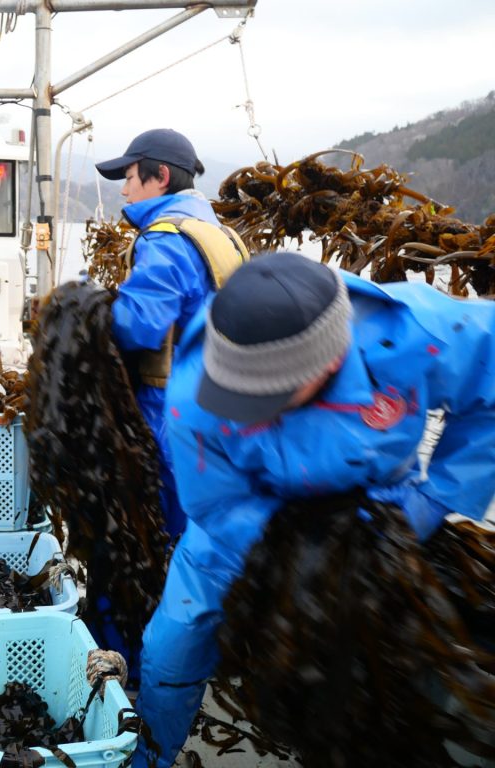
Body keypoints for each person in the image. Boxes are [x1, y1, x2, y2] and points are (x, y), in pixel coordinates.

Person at [139, 251, 495, 766]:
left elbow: (490, 387)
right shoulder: (197, 391)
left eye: (262, 399)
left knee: (397, 663)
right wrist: (296, 557)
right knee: (171, 649)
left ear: (329, 361)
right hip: (246, 530)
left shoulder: (413, 333)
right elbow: (215, 501)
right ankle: (150, 756)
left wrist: (435, 496)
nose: (244, 408)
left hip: (382, 519)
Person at [90, 128, 248, 670]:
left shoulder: (166, 237)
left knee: (135, 544)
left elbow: (139, 324)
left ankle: (127, 664)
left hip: (164, 419)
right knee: (191, 550)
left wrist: (80, 312)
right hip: (216, 415)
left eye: (129, 177)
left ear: (159, 176)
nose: (124, 190)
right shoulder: (221, 236)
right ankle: (193, 657)